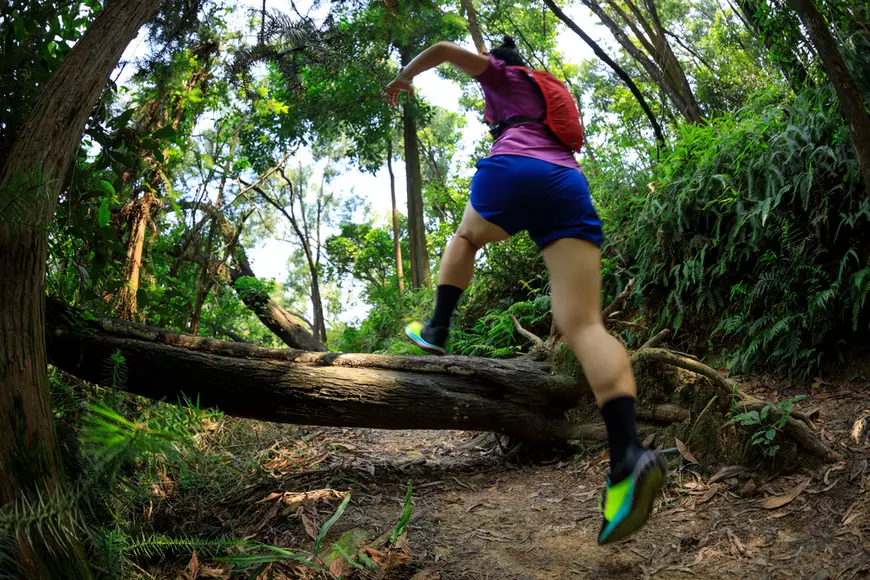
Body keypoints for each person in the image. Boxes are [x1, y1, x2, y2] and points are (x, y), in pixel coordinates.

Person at [383, 36, 666, 544]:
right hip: (566, 183)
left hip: (516, 168)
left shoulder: (502, 74)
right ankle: (628, 455)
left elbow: (446, 48)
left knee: (467, 237)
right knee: (584, 324)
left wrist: (406, 76)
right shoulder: (549, 88)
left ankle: (438, 325)